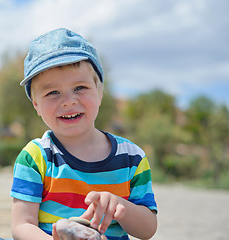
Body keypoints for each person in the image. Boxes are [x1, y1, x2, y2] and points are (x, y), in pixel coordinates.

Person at [10, 28, 158, 240]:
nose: (69, 100)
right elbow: (22, 225)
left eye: (80, 87)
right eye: (52, 92)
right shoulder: (35, 156)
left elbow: (148, 230)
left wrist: (120, 206)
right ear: (36, 105)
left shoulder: (131, 157)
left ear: (99, 93)